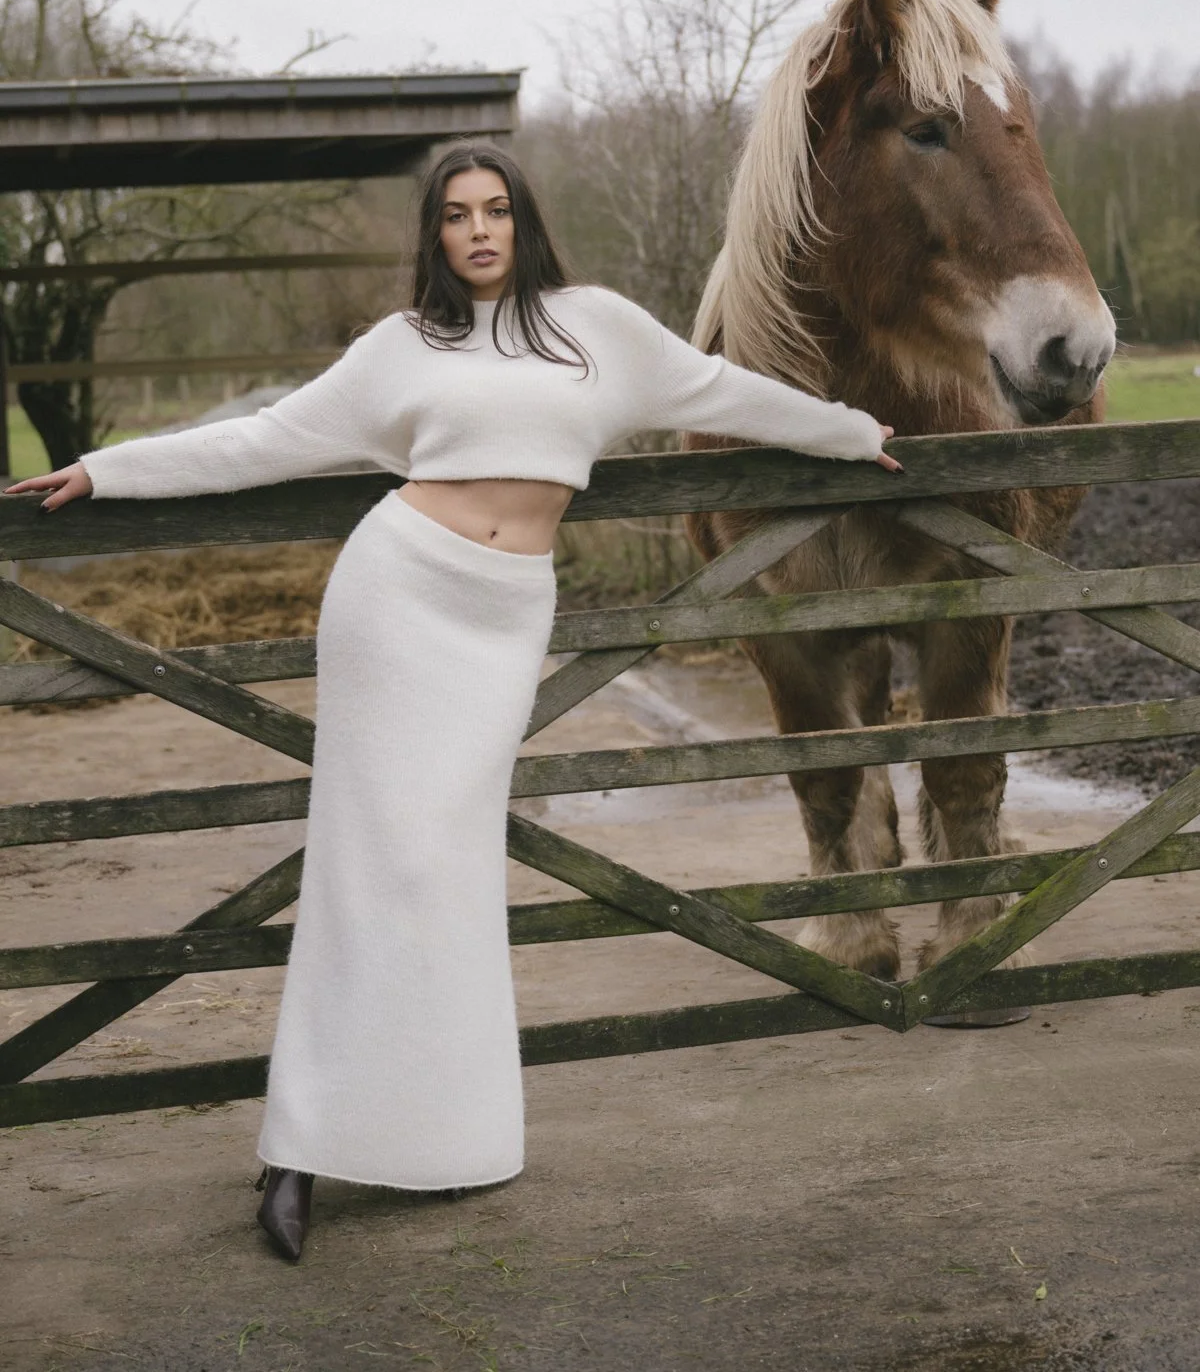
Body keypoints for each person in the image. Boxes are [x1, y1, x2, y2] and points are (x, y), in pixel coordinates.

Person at [4, 141, 901, 1260]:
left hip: (502, 618)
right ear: (434, 233)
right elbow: (267, 440)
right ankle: (298, 1151)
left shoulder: (601, 330)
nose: (479, 230)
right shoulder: (402, 346)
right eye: (457, 215)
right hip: (396, 598)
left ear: (524, 221)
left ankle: (438, 1140)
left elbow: (727, 393)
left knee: (450, 871)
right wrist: (113, 468)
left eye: (496, 210)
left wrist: (852, 433)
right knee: (365, 865)